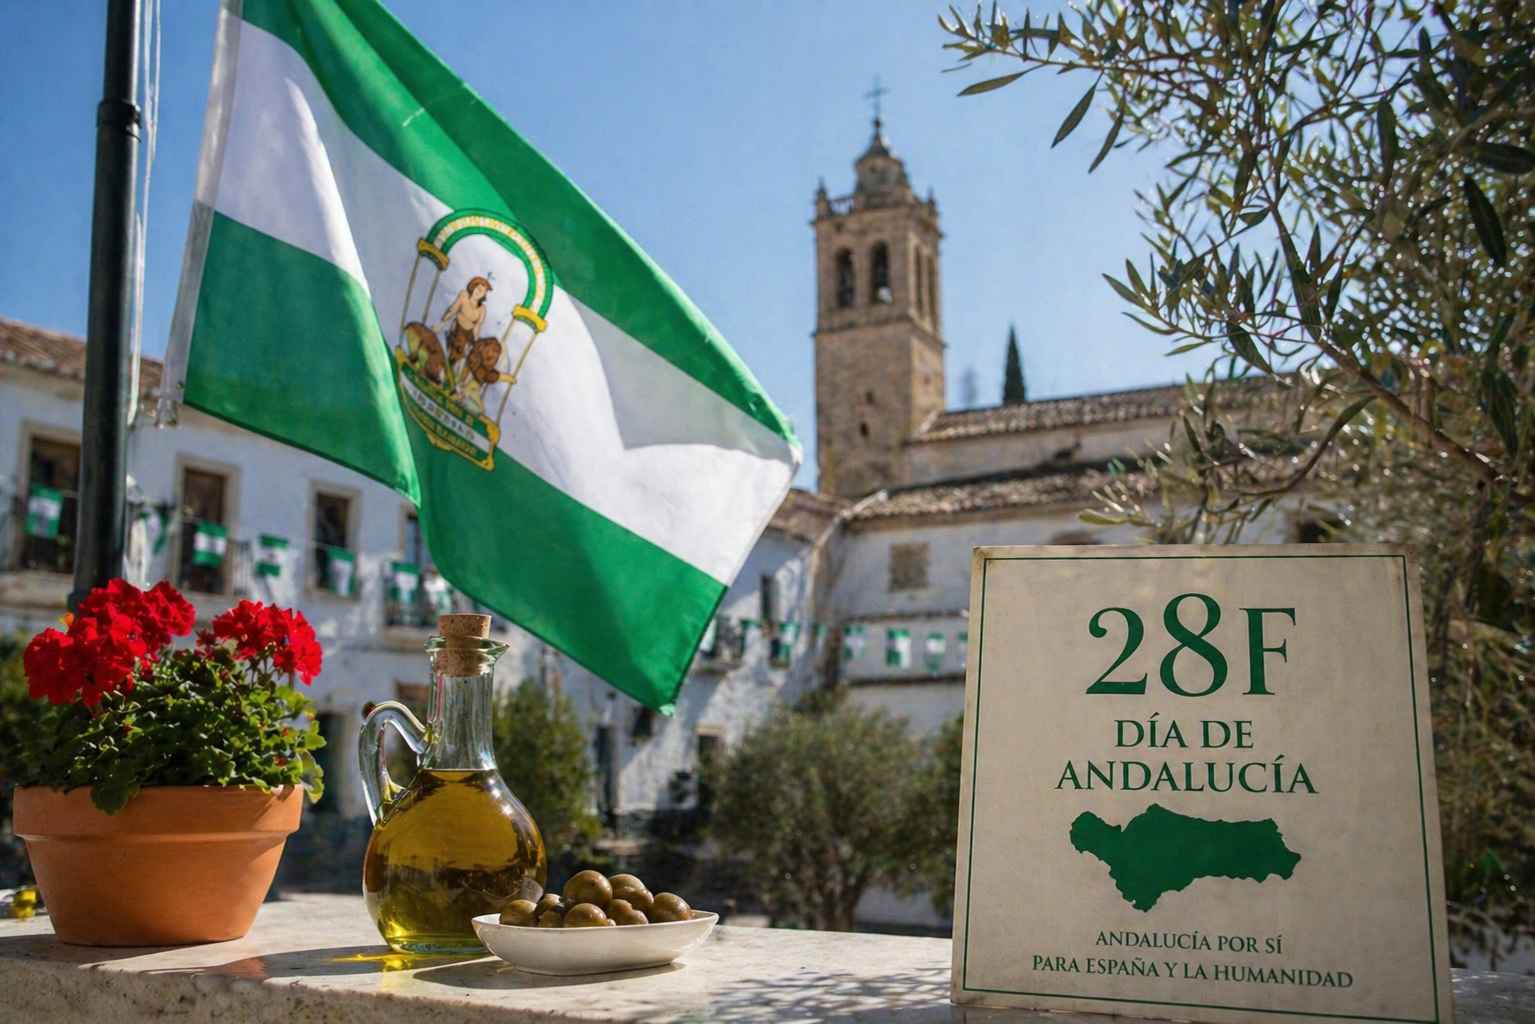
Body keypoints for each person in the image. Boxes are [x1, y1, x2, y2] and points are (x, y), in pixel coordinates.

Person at [436, 276, 493, 368]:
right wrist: (442, 322)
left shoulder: (482, 309)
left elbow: (477, 327)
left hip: (468, 335)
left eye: (483, 292)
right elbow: (453, 309)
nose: (479, 293)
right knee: (444, 345)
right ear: (473, 287)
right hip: (456, 328)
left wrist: (475, 341)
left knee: (462, 357)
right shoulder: (464, 295)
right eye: (478, 289)